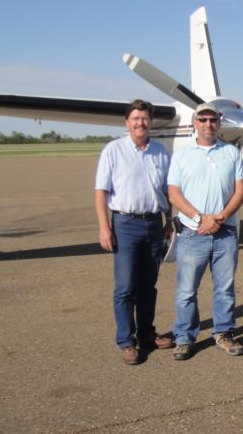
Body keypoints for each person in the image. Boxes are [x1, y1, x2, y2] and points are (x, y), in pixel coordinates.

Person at [94, 99, 173, 365]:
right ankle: (127, 341)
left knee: (148, 285)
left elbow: (167, 191)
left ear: (150, 122)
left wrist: (169, 221)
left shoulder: (161, 151)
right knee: (125, 287)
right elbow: (101, 191)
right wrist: (105, 227)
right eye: (135, 118)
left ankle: (147, 333)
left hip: (153, 224)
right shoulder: (113, 150)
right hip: (125, 224)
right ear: (127, 122)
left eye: (145, 118)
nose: (141, 122)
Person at [167, 102, 243, 361]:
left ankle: (223, 333)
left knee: (225, 288)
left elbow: (240, 191)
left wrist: (220, 217)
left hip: (225, 233)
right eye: (203, 120)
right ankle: (184, 338)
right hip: (192, 233)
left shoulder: (232, 153)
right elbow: (174, 194)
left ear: (219, 123)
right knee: (187, 290)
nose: (208, 124)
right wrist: (200, 218)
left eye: (213, 120)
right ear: (194, 123)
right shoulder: (181, 155)